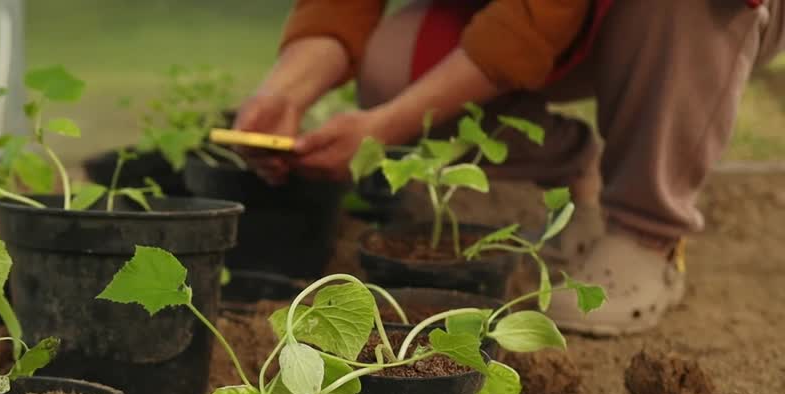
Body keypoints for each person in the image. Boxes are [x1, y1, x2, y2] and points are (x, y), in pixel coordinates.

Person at [236, 0, 785, 335]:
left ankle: (649, 232)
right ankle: (578, 163)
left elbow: (536, 15)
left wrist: (390, 126)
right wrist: (283, 90)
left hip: (700, 16)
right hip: (542, 16)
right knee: (393, 62)